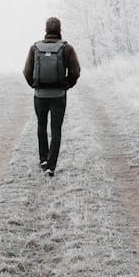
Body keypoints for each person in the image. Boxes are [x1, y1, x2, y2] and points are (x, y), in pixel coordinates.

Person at [22, 17, 81, 177]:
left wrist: (35, 86)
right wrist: (66, 85)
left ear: (46, 30)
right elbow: (75, 72)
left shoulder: (35, 48)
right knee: (56, 129)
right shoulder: (66, 48)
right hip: (59, 96)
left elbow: (27, 72)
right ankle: (51, 165)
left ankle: (43, 159)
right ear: (60, 30)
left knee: (41, 125)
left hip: (40, 96)